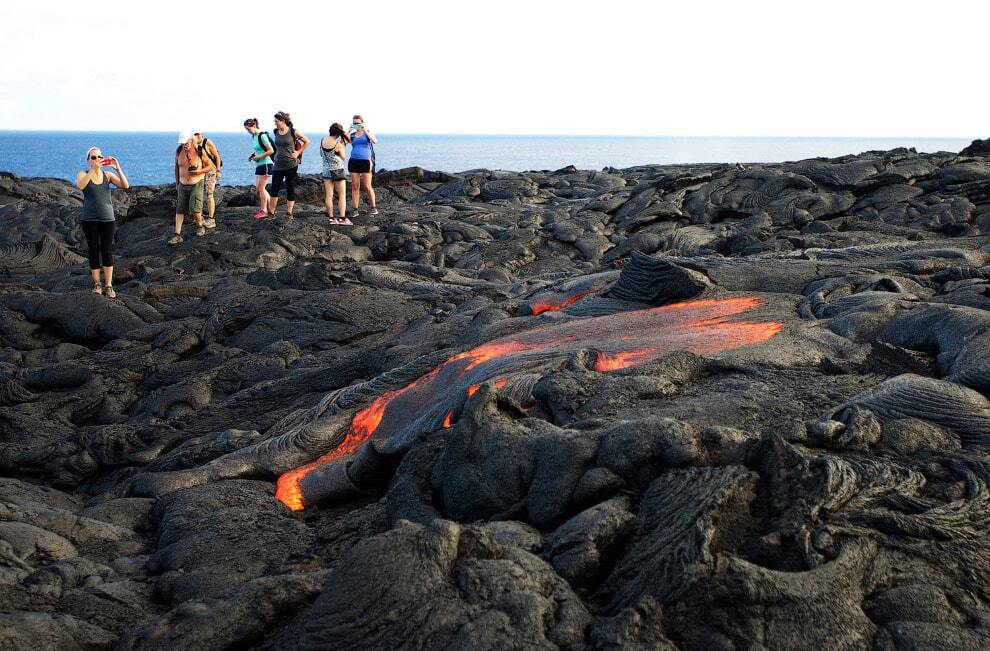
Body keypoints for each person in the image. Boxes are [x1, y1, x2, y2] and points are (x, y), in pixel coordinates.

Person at [75, 147, 129, 297]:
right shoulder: (83, 174)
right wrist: (94, 169)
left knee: (106, 250)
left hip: (107, 219)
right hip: (89, 219)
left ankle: (109, 285)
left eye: (99, 156)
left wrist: (118, 168)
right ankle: (97, 284)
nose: (97, 159)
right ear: (88, 161)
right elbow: (81, 185)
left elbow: (126, 185)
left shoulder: (108, 175)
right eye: (93, 157)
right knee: (93, 250)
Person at [170, 129, 215, 244]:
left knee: (195, 209)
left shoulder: (199, 150)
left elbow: (209, 165)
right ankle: (177, 235)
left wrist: (199, 171)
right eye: (182, 142)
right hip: (182, 184)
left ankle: (200, 226)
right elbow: (176, 168)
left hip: (196, 183)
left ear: (190, 139)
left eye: (186, 141)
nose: (184, 144)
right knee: (179, 210)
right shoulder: (179, 151)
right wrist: (177, 183)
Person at [269, 111, 310, 218]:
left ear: (283, 121)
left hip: (291, 165)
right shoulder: (275, 131)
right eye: (274, 121)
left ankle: (289, 212)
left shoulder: (293, 132)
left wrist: (298, 152)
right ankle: (272, 212)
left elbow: (307, 142)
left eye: (276, 121)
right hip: (278, 164)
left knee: (289, 187)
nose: (275, 123)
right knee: (274, 188)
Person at [244, 118, 275, 220]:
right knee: (259, 188)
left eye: (249, 129)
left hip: (266, 164)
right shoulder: (254, 136)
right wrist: (253, 155)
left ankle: (264, 211)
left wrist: (258, 157)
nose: (248, 132)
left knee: (261, 188)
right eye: (246, 130)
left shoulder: (262, 135)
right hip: (259, 164)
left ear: (254, 126)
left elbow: (271, 150)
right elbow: (259, 150)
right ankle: (271, 208)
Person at [347, 114, 378, 216]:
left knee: (367, 186)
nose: (356, 125)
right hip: (354, 161)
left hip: (365, 161)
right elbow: (344, 141)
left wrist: (364, 130)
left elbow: (374, 141)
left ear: (362, 123)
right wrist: (349, 130)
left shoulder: (367, 133)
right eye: (354, 123)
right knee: (355, 186)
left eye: (358, 123)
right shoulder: (352, 135)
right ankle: (355, 209)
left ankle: (373, 207)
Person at [320, 123, 351, 224]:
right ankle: (342, 219)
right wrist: (342, 146)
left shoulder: (322, 140)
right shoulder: (337, 145)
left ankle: (332, 218)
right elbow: (343, 157)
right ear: (338, 133)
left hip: (326, 170)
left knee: (329, 195)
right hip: (338, 170)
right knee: (342, 195)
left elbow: (321, 154)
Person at [194, 131, 223, 228]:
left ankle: (211, 219)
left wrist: (218, 171)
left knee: (209, 195)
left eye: (198, 134)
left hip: (211, 171)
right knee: (199, 195)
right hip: (201, 172)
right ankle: (200, 218)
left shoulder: (207, 142)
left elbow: (217, 157)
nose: (197, 136)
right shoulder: (193, 144)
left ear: (202, 134)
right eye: (194, 134)